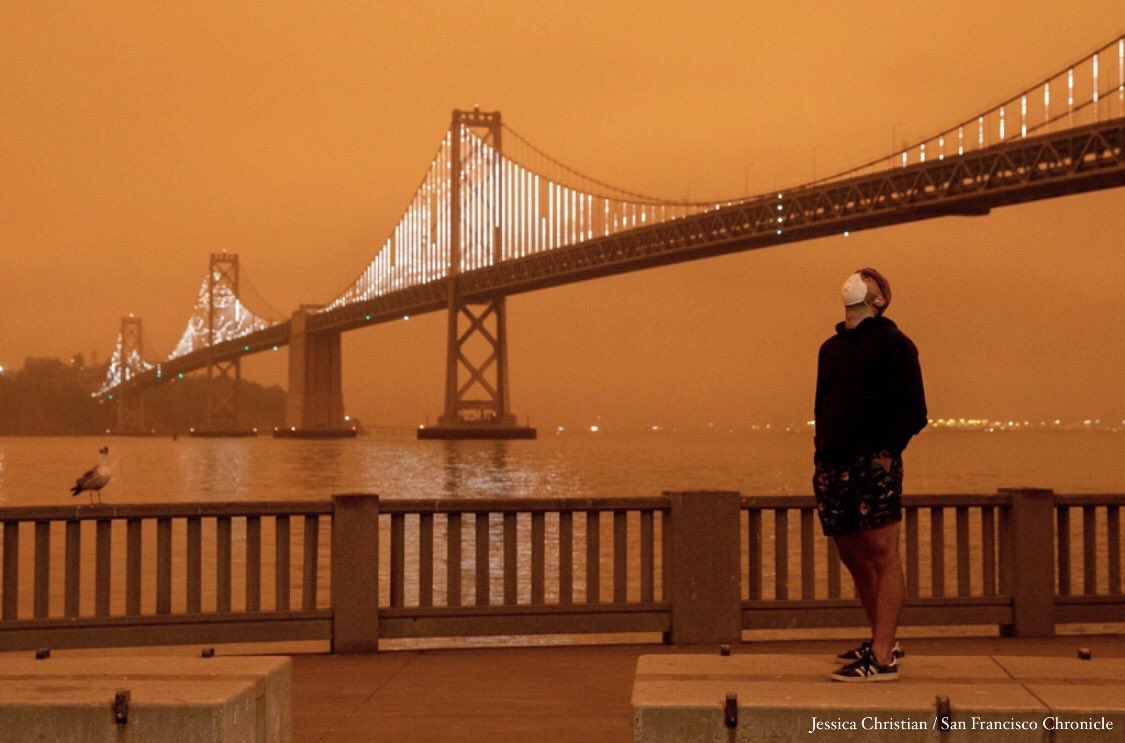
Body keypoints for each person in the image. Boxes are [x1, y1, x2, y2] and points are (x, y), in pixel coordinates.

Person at [813, 267, 927, 682]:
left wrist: (886, 453)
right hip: (832, 465)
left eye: (868, 279)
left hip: (871, 463)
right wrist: (820, 453)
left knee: (882, 553)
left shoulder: (896, 344)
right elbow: (821, 407)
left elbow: (916, 412)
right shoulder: (830, 348)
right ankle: (882, 637)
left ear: (879, 300)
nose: (855, 278)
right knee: (852, 556)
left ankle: (881, 657)